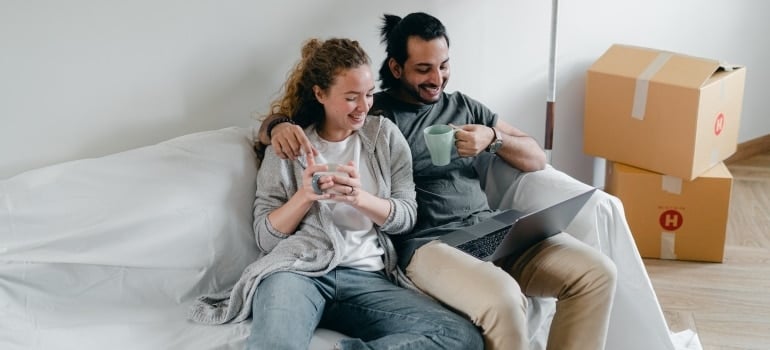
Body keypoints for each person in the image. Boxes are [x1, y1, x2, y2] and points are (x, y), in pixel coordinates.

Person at [257, 14, 617, 350]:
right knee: (504, 298)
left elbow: (536, 157)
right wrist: (276, 127)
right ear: (396, 68)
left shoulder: (464, 106)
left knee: (597, 273)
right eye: (423, 69)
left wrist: (493, 138)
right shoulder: (376, 115)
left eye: (443, 66)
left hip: (490, 230)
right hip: (430, 245)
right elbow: (306, 121)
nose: (437, 78)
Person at [191, 38, 483, 350]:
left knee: (461, 337)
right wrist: (304, 196)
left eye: (369, 95)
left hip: (368, 278)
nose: (364, 106)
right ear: (320, 94)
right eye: (351, 97)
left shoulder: (384, 137)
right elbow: (266, 238)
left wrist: (359, 198)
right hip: (297, 273)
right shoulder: (290, 145)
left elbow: (406, 217)